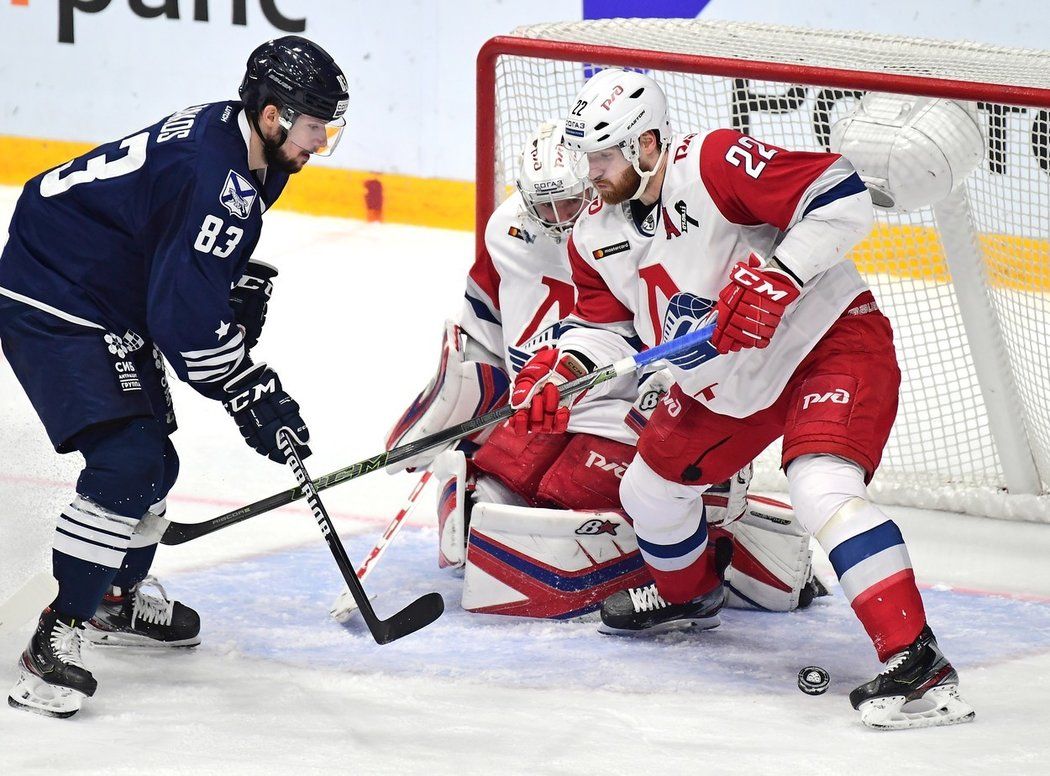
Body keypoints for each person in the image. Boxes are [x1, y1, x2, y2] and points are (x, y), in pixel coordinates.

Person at [509, 68, 974, 729]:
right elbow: (605, 330)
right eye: (586, 155)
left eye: (603, 155)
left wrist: (779, 279)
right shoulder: (592, 233)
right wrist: (564, 372)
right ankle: (689, 595)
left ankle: (918, 665)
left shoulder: (713, 161)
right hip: (729, 382)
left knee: (821, 486)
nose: (591, 171)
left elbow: (841, 194)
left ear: (646, 145)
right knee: (648, 491)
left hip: (827, 342)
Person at [0, 35, 348, 718]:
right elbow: (182, 324)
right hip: (54, 291)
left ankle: (111, 600)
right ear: (274, 115)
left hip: (102, 283)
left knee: (156, 465)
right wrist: (250, 389)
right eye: (314, 129)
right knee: (128, 462)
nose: (321, 145)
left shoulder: (245, 142)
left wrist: (221, 286)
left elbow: (175, 256)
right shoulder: (215, 175)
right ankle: (52, 643)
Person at [385, 121, 824, 619]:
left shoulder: (642, 225)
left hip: (657, 404)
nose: (558, 220)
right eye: (544, 207)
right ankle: (698, 536)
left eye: (570, 203)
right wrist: (470, 390)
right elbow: (485, 322)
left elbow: (662, 330)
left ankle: (731, 547)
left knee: (572, 494)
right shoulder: (513, 231)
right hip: (575, 397)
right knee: (490, 487)